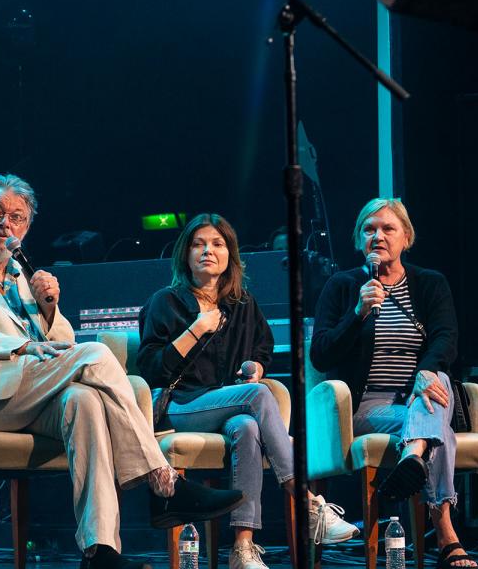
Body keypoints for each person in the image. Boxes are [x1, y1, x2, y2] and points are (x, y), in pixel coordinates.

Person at [0, 175, 246, 569]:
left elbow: (63, 345)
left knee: (85, 402)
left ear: (26, 228)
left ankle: (100, 551)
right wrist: (21, 346)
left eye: (17, 217)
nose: (5, 224)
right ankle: (163, 482)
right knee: (96, 353)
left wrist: (48, 308)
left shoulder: (21, 276)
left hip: (29, 393)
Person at [138, 214, 358, 569]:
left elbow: (262, 349)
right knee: (257, 397)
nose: (208, 251)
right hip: (180, 405)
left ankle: (242, 548)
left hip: (227, 405)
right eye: (198, 244)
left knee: (248, 427)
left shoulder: (242, 304)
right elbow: (151, 368)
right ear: (186, 255)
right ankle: (307, 504)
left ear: (230, 254)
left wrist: (256, 367)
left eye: (217, 244)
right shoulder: (166, 302)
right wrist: (196, 329)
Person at [310, 198, 477, 568]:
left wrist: (426, 372)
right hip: (367, 406)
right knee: (438, 426)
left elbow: (445, 338)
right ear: (359, 240)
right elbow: (320, 353)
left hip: (422, 396)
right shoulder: (342, 286)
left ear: (406, 238)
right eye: (369, 229)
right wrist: (357, 313)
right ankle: (446, 534)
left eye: (388, 228)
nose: (378, 236)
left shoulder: (430, 283)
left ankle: (413, 454)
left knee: (437, 381)